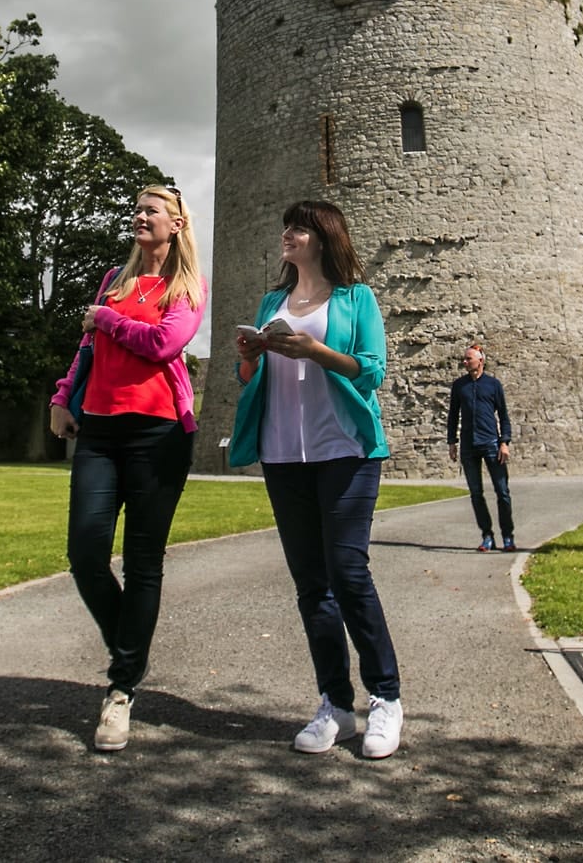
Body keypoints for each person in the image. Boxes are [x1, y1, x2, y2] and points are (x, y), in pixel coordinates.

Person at [228, 199, 404, 760]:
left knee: (348, 573)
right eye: (287, 226)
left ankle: (386, 698)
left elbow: (371, 369)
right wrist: (250, 357)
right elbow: (251, 379)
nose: (288, 234)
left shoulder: (357, 298)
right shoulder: (272, 301)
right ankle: (334, 703)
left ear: (323, 238)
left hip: (346, 449)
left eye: (298, 228)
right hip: (284, 453)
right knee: (311, 585)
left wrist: (316, 350)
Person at [48, 184, 206, 751]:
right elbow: (87, 348)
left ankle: (120, 691)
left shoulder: (186, 286)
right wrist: (63, 397)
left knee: (143, 563)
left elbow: (166, 344)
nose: (140, 217)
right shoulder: (115, 279)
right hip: (99, 430)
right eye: (137, 210)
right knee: (85, 554)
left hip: (159, 435)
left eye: (151, 211)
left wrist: (108, 322)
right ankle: (131, 652)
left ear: (177, 224)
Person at [447, 343, 515, 552]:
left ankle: (508, 536)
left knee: (502, 492)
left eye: (469, 359)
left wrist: (504, 442)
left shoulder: (493, 385)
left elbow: (503, 416)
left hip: (491, 443)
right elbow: (453, 416)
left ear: (480, 360)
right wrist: (452, 442)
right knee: (476, 493)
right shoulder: (460, 386)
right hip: (469, 445)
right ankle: (487, 535)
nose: (465, 362)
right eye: (465, 359)